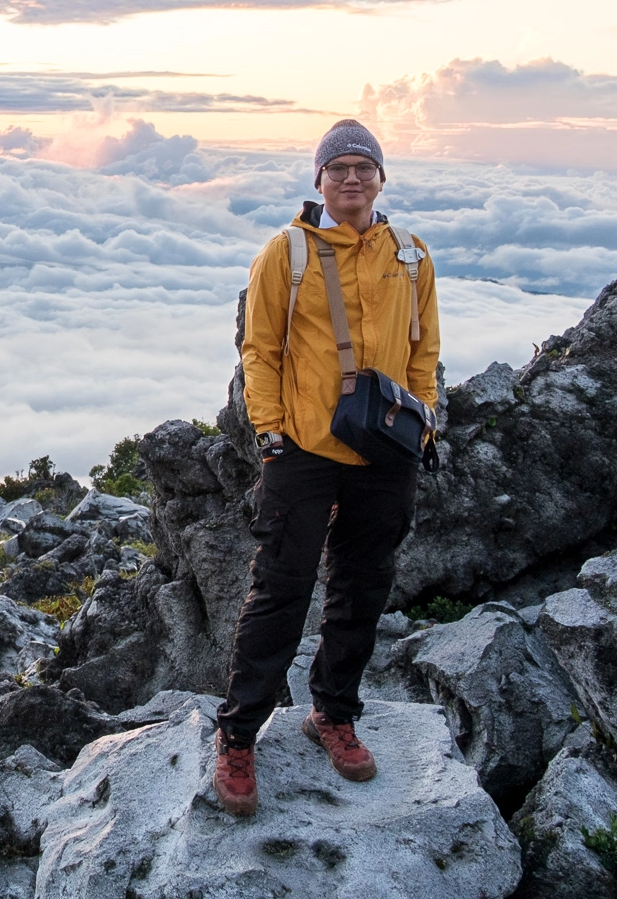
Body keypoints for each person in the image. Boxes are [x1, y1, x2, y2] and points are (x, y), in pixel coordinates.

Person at [211, 118, 440, 817]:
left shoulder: (411, 255)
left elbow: (424, 349)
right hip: (303, 450)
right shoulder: (287, 253)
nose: (350, 178)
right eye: (337, 168)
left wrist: (424, 421)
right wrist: (271, 431)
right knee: (280, 591)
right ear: (319, 180)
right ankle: (239, 734)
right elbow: (260, 350)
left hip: (385, 453)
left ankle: (333, 714)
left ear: (380, 179)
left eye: (362, 167)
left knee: (363, 587)